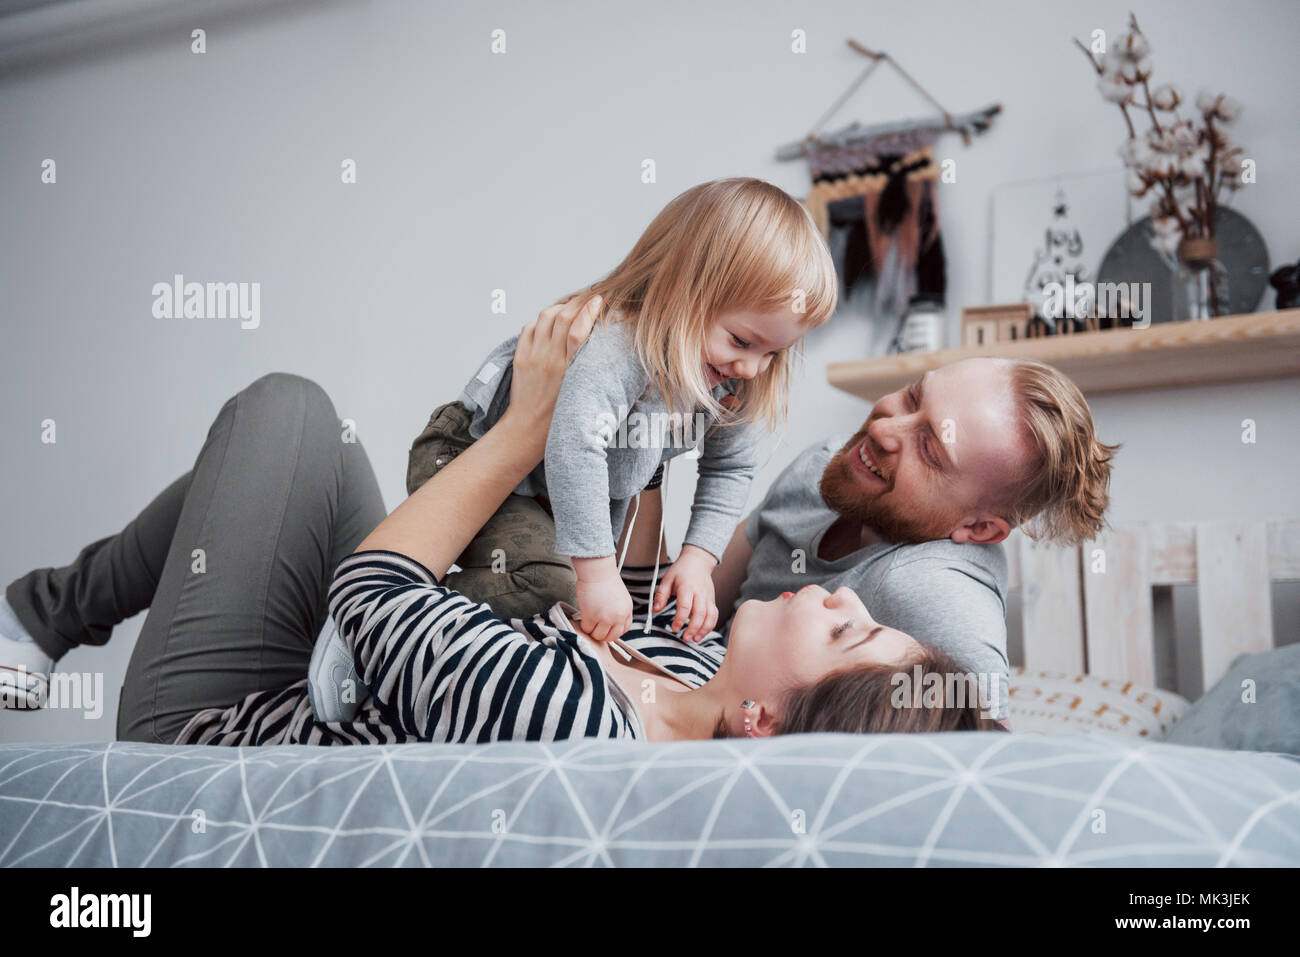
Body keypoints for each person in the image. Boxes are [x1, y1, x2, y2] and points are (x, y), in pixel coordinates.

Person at [0, 300, 1002, 742]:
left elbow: (370, 591)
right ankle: (49, 612)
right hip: (351, 668)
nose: (832, 595)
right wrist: (635, 410)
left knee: (287, 409)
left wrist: (531, 423)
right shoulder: (697, 677)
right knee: (301, 451)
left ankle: (43, 613)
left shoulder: (565, 720)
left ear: (764, 721)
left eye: (843, 627)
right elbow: (610, 581)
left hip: (231, 722)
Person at [404, 177, 839, 644]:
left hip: (556, 491)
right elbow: (576, 446)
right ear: (679, 292)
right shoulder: (619, 346)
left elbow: (731, 466)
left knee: (579, 614)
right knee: (555, 588)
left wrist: (698, 560)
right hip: (469, 451)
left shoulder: (733, 376)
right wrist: (596, 575)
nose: (752, 368)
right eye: (740, 341)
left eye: (774, 353)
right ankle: (391, 616)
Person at [705, 355, 1121, 726]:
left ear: (977, 530)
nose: (884, 428)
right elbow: (693, 605)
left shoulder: (932, 590)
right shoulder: (828, 462)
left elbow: (983, 760)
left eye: (929, 450)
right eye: (913, 396)